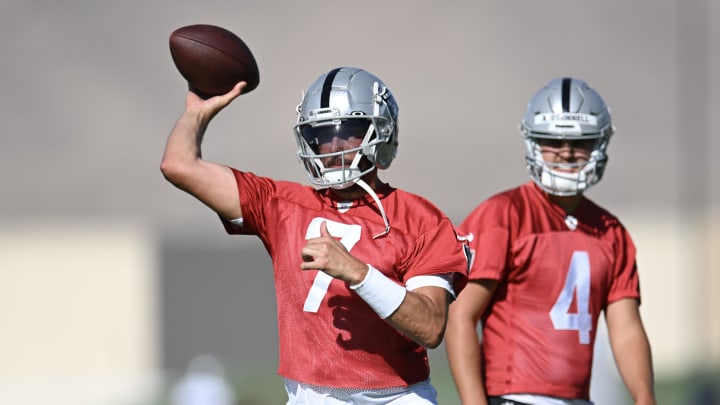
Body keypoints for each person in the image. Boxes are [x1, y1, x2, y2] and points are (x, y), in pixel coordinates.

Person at [161, 66, 468, 404]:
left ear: (379, 132)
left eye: (347, 132)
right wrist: (196, 113)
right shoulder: (283, 205)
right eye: (322, 135)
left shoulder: (420, 219)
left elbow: (430, 327)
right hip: (312, 396)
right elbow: (179, 165)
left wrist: (356, 272)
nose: (333, 145)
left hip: (397, 397)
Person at [445, 77, 656, 405]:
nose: (567, 153)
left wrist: (645, 398)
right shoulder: (503, 215)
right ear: (532, 142)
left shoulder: (610, 231)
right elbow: (461, 315)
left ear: (599, 145)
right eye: (552, 141)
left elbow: (626, 328)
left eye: (580, 142)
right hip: (514, 396)